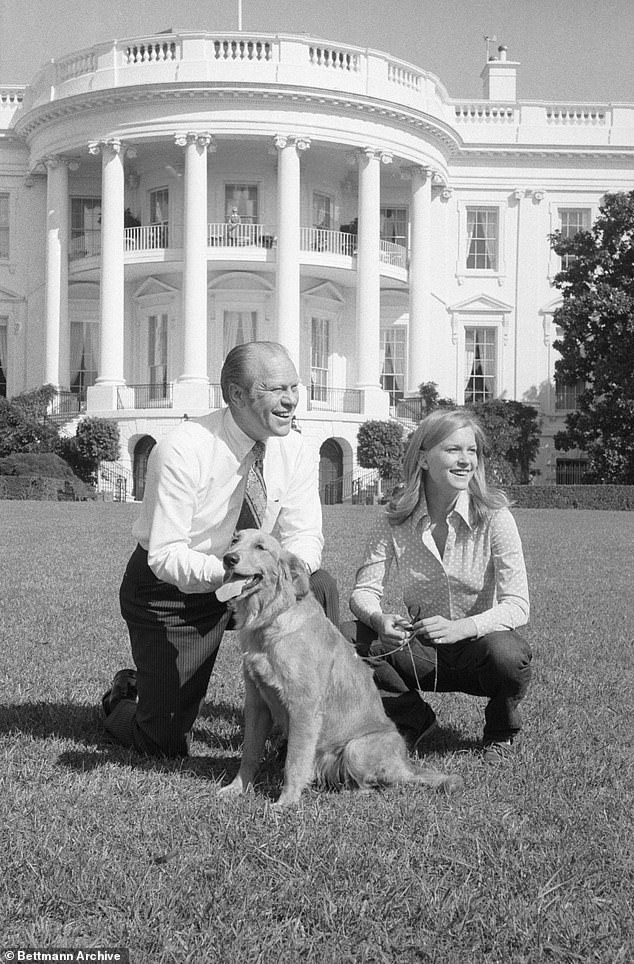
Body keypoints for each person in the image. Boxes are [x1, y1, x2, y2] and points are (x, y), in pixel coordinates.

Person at [102, 341, 339, 758]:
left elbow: (304, 535)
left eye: (294, 387)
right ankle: (125, 696)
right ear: (236, 395)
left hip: (252, 579)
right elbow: (166, 554)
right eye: (275, 389)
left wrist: (282, 572)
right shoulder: (181, 448)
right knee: (162, 741)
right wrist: (234, 578)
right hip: (173, 590)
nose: (290, 400)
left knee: (317, 586)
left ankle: (298, 730)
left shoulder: (297, 447)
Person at [345, 408, 531, 763]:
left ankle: (500, 734)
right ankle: (412, 719)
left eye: (472, 451)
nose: (465, 461)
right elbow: (363, 592)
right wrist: (379, 620)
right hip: (419, 652)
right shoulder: (394, 520)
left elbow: (518, 604)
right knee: (346, 637)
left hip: (478, 649)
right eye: (453, 450)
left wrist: (462, 627)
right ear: (424, 459)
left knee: (510, 654)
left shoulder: (495, 518)